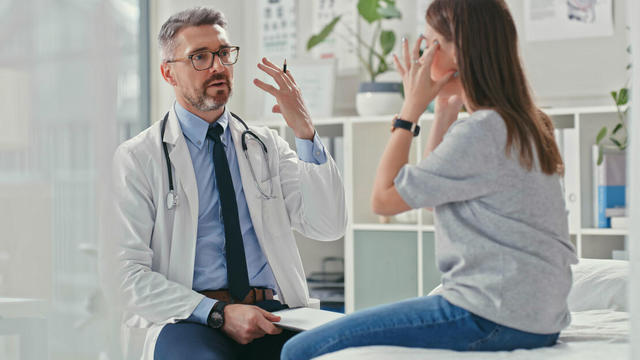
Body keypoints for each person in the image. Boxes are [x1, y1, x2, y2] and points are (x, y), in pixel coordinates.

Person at [280, 0, 577, 358]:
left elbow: (384, 199)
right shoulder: (525, 123)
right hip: (536, 319)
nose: (420, 57)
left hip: (490, 314)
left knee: (300, 350)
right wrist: (446, 109)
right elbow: (434, 190)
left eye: (430, 43)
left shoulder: (482, 132)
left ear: (461, 53)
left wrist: (410, 111)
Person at [110, 7, 346, 360]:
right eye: (200, 57)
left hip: (273, 313)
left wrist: (305, 132)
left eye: (223, 53)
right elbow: (124, 275)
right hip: (188, 319)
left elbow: (328, 225)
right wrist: (217, 313)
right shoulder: (138, 158)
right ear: (168, 73)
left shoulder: (265, 145)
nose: (218, 66)